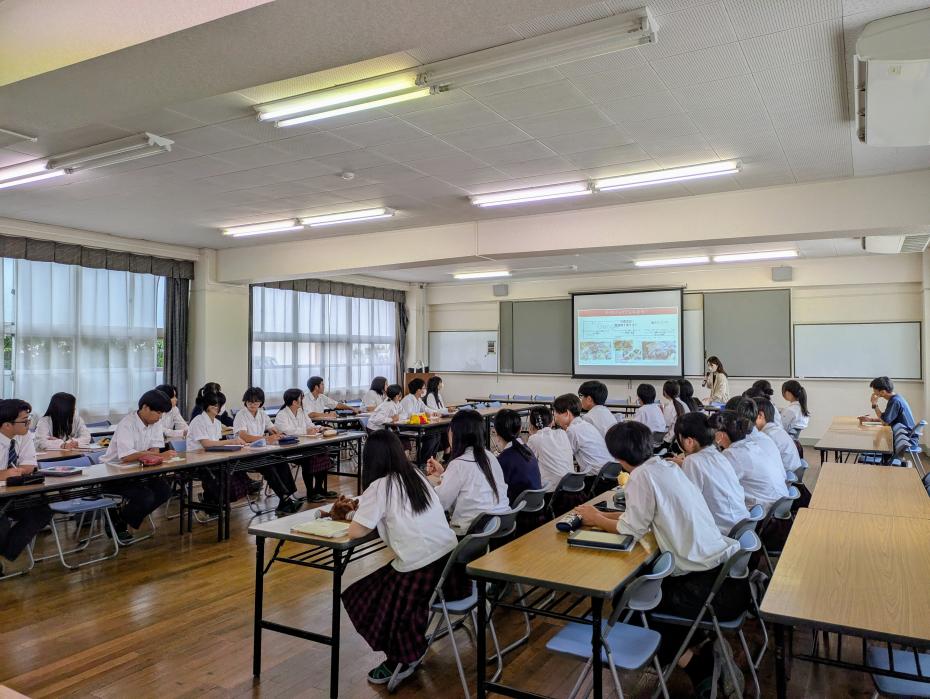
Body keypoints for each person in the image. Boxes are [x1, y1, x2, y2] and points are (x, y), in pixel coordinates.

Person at [574, 420, 744, 696]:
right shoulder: (665, 467)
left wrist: (595, 519)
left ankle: (700, 666)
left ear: (617, 457)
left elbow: (631, 528)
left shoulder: (641, 477)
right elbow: (642, 515)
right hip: (720, 571)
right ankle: (701, 645)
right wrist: (600, 516)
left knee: (630, 608)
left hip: (701, 581)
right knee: (640, 596)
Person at [341, 430, 466, 686]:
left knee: (363, 595)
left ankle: (402, 657)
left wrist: (353, 515)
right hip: (450, 566)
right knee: (385, 581)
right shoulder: (416, 475)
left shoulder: (380, 487)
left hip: (421, 570)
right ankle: (410, 648)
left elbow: (355, 532)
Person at [102, 390, 177, 543]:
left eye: (162, 414)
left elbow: (155, 450)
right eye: (158, 413)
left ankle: (120, 518)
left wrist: (155, 455)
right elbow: (126, 456)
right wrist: (156, 455)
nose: (160, 417)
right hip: (114, 474)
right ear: (145, 408)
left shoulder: (156, 423)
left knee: (164, 490)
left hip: (139, 470)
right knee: (145, 496)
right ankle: (118, 522)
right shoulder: (127, 424)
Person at [426, 410, 509, 532]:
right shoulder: (490, 456)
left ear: (455, 435)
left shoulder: (458, 465)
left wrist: (427, 486)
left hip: (473, 533)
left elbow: (440, 503)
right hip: (501, 525)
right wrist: (444, 473)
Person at [669, 412, 749, 536]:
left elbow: (689, 505)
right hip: (741, 524)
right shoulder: (719, 455)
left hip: (723, 531)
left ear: (689, 441)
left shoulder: (693, 461)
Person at [0, 399, 52, 570]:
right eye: (24, 421)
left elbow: (29, 465)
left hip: (12, 491)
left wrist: (11, 473)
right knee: (1, 522)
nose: (29, 424)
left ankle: (4, 554)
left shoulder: (24, 435)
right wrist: (5, 474)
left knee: (41, 510)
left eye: (29, 419)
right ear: (7, 425)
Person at [233, 387, 302, 514]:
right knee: (269, 466)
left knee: (281, 461)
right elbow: (244, 436)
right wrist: (265, 438)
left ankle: (287, 498)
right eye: (249, 402)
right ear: (245, 401)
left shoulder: (262, 414)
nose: (252, 404)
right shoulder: (241, 415)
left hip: (261, 451)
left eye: (256, 402)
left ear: (261, 402)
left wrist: (279, 435)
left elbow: (272, 428)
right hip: (245, 454)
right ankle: (285, 499)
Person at [713, 409, 788, 513]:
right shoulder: (752, 445)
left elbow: (717, 484)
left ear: (721, 435)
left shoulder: (733, 454)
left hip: (766, 510)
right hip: (778, 502)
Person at [274, 388, 335, 503]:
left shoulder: (301, 411)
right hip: (289, 448)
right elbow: (287, 431)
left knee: (323, 452)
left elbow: (310, 425)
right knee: (309, 458)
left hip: (305, 444)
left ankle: (319, 488)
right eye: (301, 398)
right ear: (294, 402)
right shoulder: (282, 415)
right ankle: (310, 493)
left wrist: (320, 428)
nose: (303, 400)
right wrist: (306, 431)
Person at [553, 394, 612, 481]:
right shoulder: (586, 425)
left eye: (556, 412)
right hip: (608, 473)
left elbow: (562, 455)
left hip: (595, 478)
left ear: (567, 413)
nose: (555, 416)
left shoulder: (572, 430)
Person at [493, 409, 542, 505]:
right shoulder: (527, 449)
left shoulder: (503, 460)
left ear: (496, 432)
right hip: (535, 505)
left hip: (518, 508)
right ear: (520, 429)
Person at [525, 405, 573, 493]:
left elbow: (527, 463)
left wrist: (532, 436)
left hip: (551, 491)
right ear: (552, 422)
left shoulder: (534, 439)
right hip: (570, 486)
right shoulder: (562, 433)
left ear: (531, 425)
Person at [753, 397, 801, 474]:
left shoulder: (766, 436)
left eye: (749, 417)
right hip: (793, 472)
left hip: (787, 475)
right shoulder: (776, 430)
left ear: (760, 415)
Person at [661, 380, 690, 445]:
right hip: (683, 440)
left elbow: (665, 425)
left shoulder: (669, 407)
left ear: (665, 392)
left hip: (671, 441)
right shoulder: (684, 404)